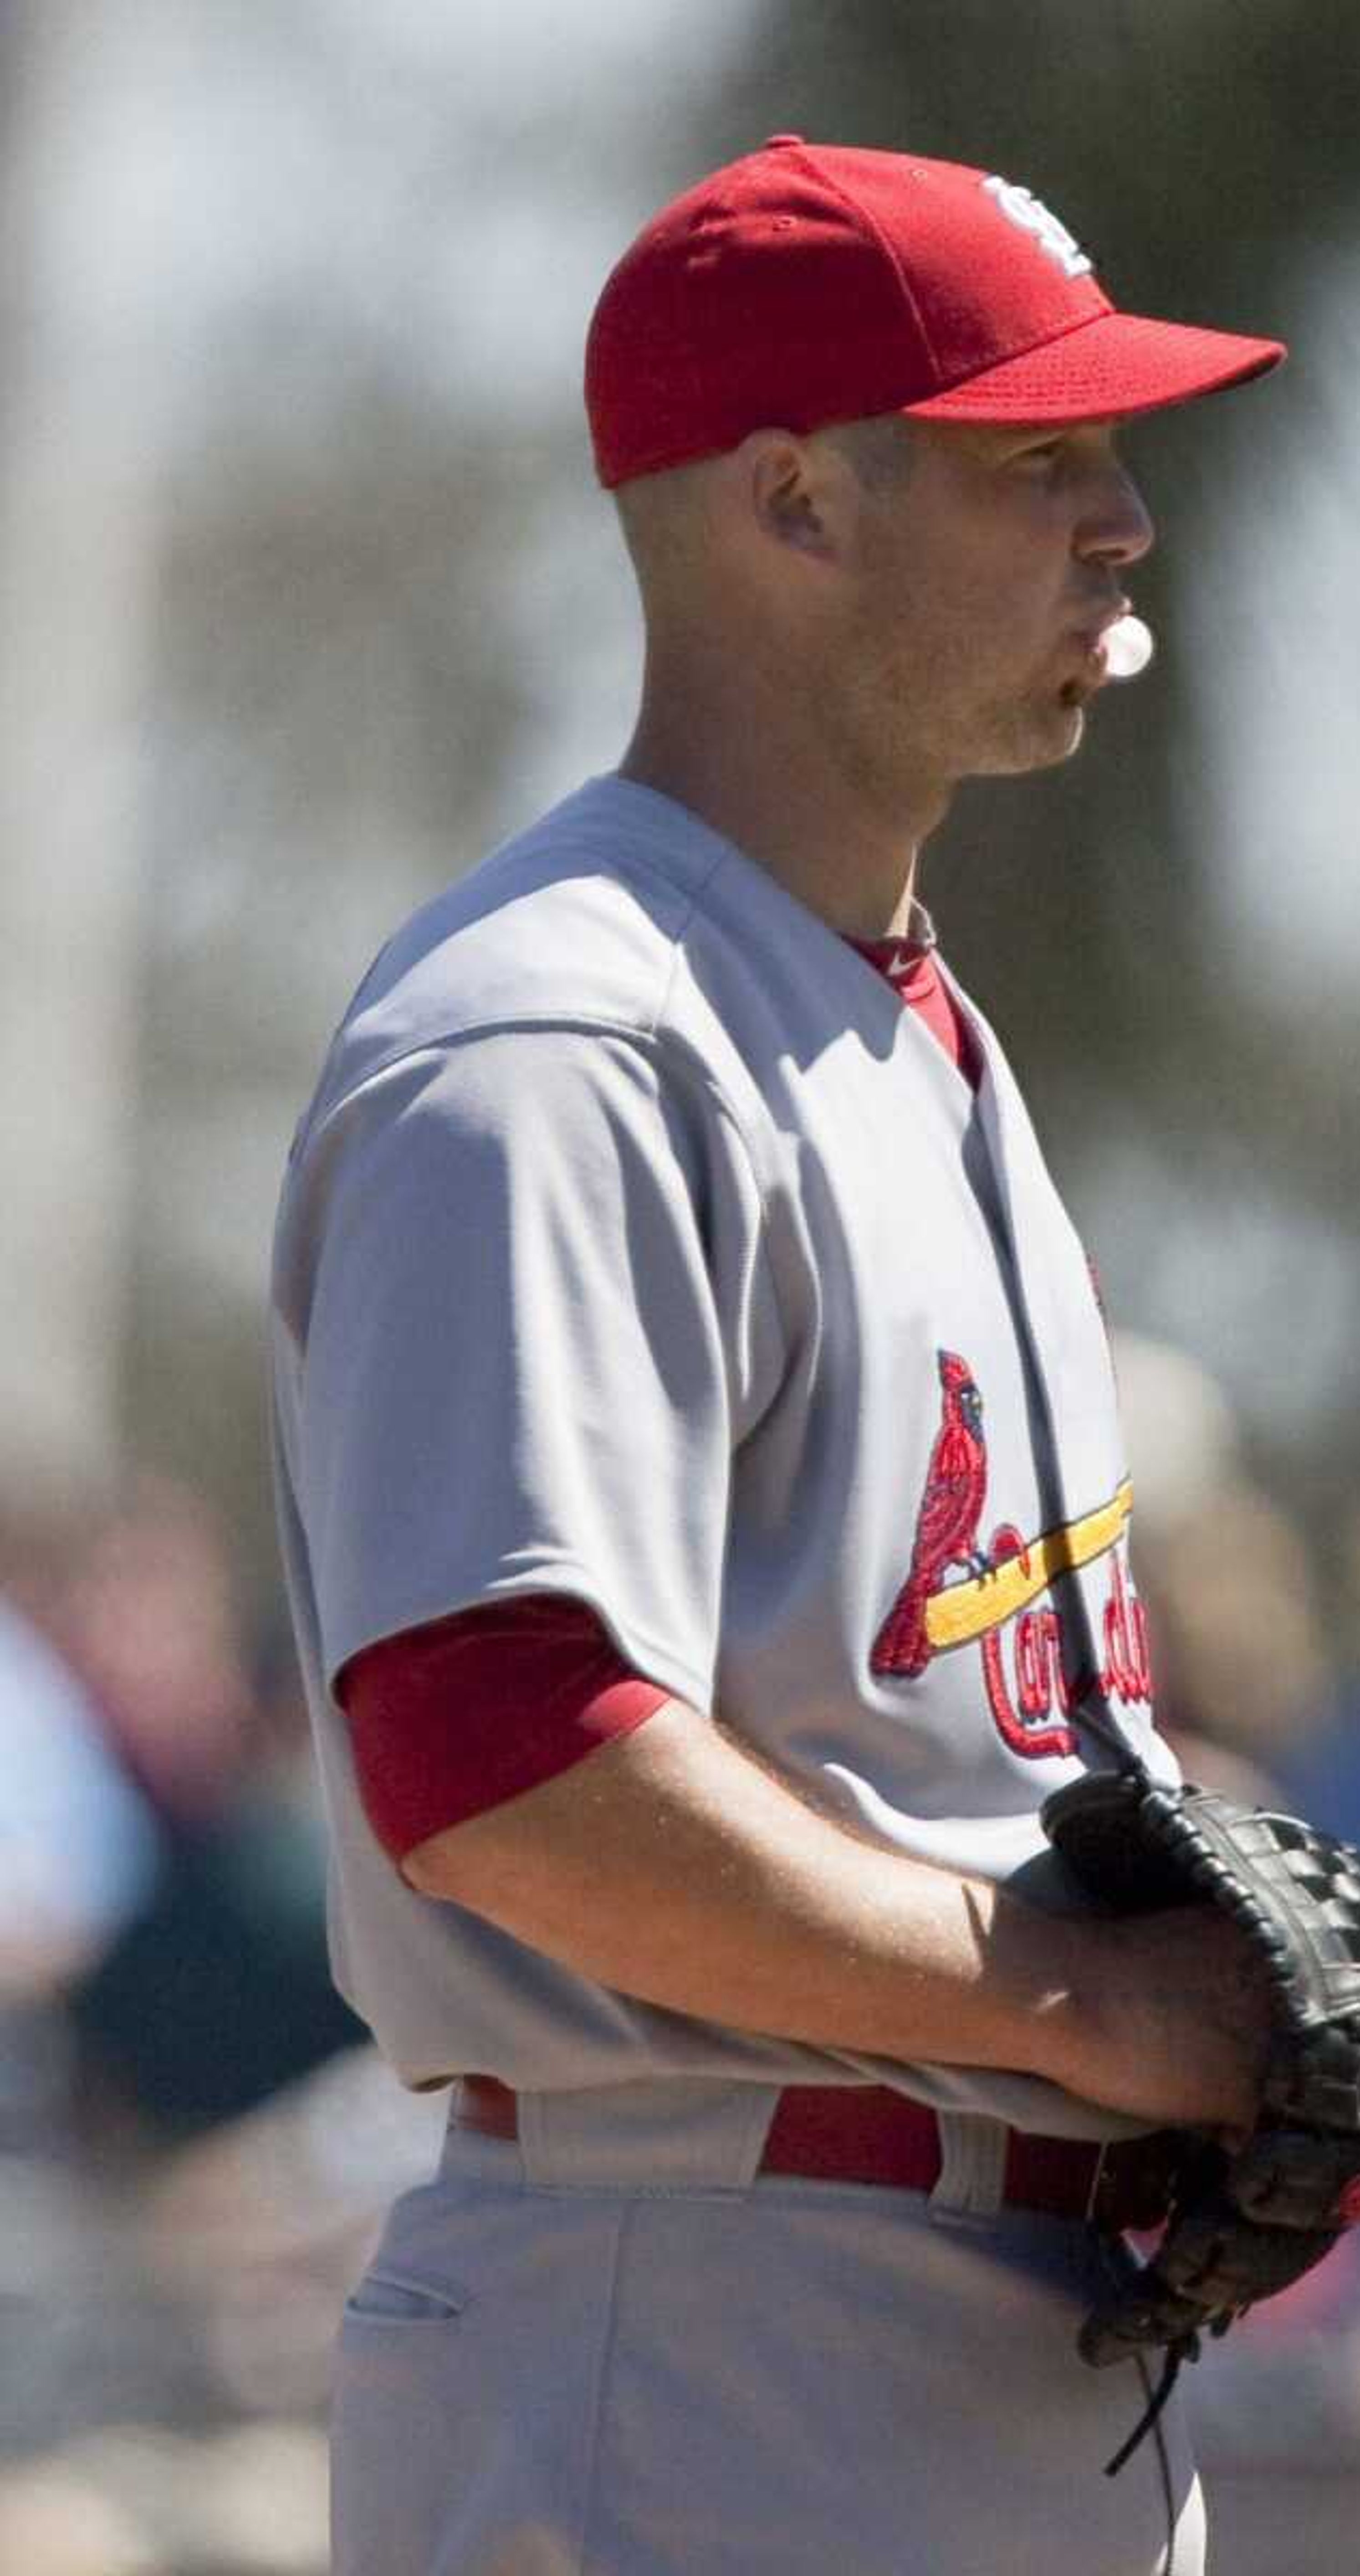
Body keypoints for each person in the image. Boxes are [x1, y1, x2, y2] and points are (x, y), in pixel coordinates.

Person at [271, 136, 1285, 2576]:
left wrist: (1200, 1904)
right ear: (800, 500)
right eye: (1040, 458)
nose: (1124, 522)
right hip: (704, 2324)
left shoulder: (900, 1025)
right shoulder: (553, 1039)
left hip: (974, 2324)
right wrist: (1077, 2005)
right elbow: (506, 1756)